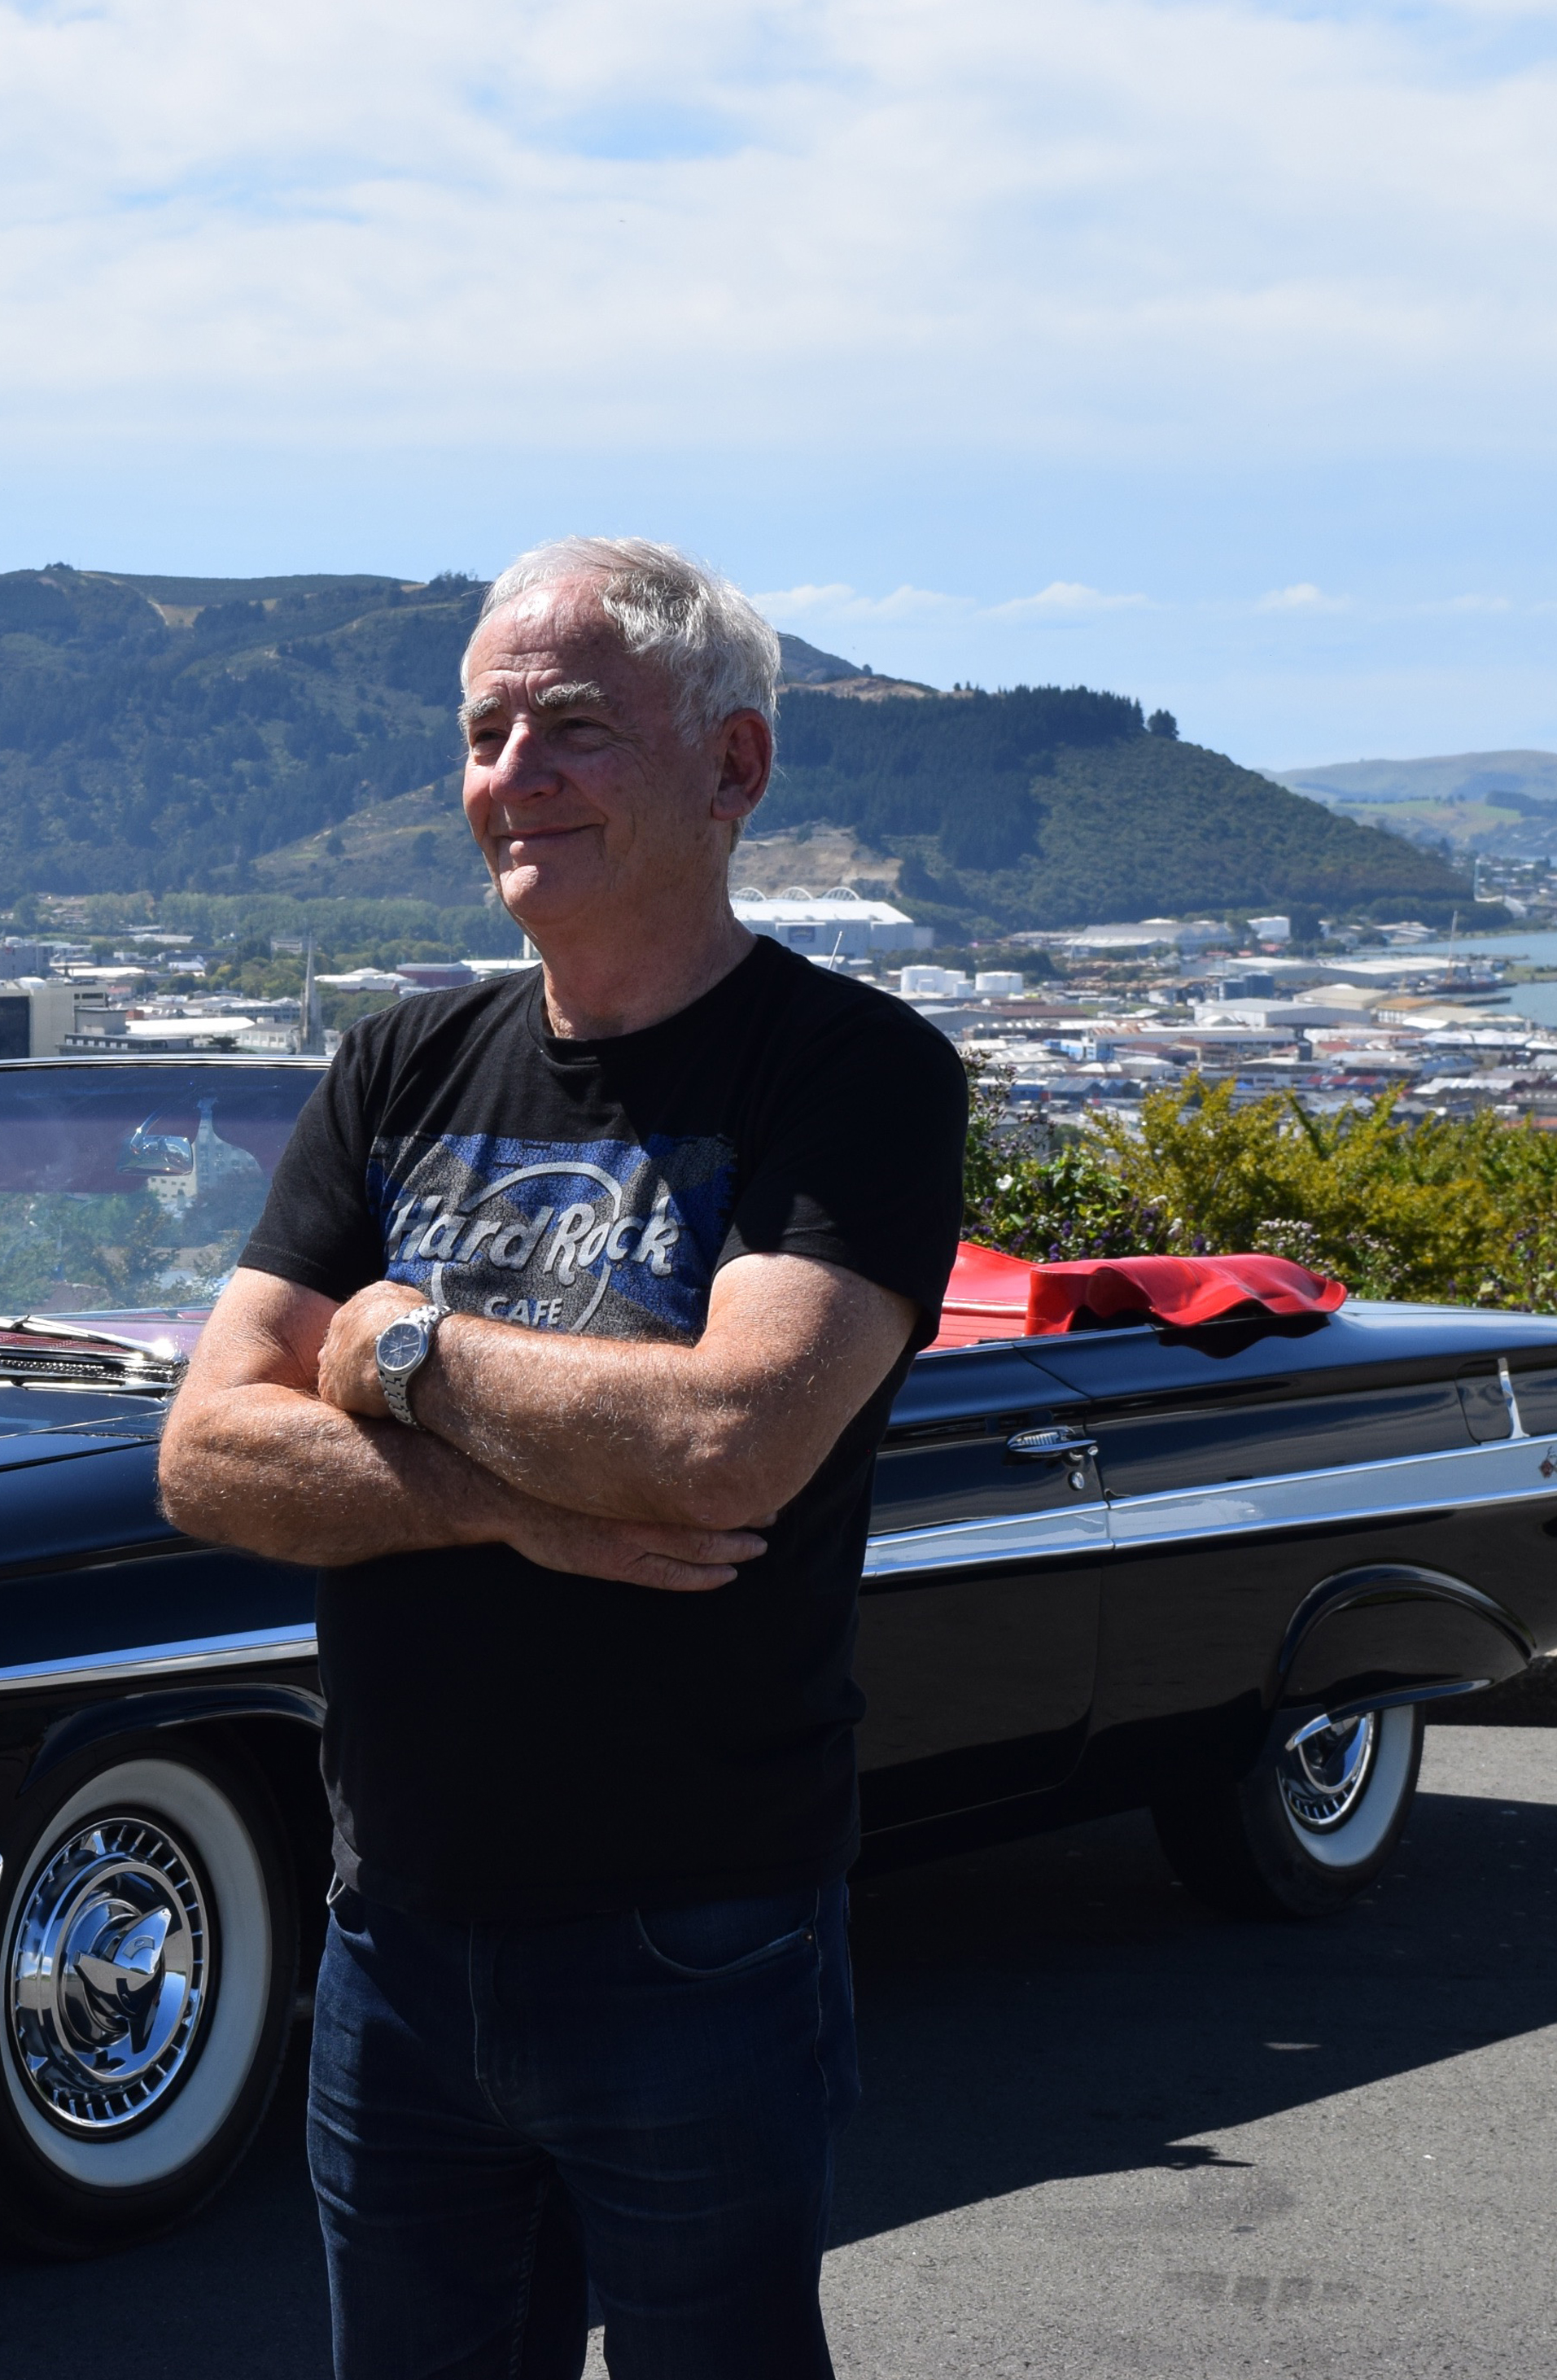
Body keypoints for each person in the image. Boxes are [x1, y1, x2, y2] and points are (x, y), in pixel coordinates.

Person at [158, 536, 969, 2377]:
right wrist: (514, 1507)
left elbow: (723, 1439)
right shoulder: (400, 1067)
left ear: (734, 768)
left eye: (575, 729)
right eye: (485, 733)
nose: (513, 779)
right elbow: (206, 1455)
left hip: (698, 1935)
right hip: (395, 1929)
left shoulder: (848, 1075)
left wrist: (399, 1342)